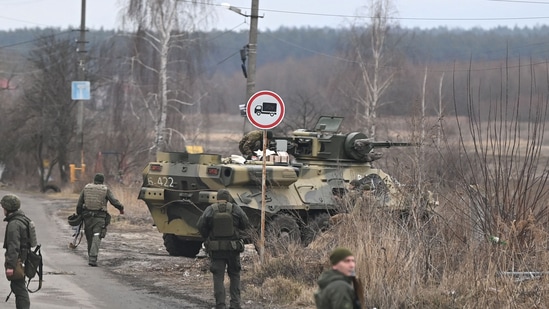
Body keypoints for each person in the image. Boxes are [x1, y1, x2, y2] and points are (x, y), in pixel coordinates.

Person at [197, 189, 250, 309]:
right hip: (233, 249)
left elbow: (200, 225)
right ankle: (235, 304)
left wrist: (208, 237)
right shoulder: (235, 209)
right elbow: (246, 224)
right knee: (235, 275)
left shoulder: (210, 209)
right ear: (229, 198)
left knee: (218, 277)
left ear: (217, 198)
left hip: (216, 250)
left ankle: (220, 305)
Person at [76, 173, 124, 266]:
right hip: (99, 217)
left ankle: (91, 256)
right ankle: (93, 258)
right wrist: (121, 208)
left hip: (87, 217)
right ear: (102, 181)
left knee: (89, 236)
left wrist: (79, 214)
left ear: (94, 180)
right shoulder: (105, 189)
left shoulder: (86, 188)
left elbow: (79, 203)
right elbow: (114, 201)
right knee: (97, 236)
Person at [2, 194, 31, 309]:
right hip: (23, 258)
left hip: (17, 261)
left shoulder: (14, 224)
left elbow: (13, 246)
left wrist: (10, 266)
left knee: (19, 289)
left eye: (4, 207)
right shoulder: (22, 219)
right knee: (18, 287)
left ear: (8, 208)